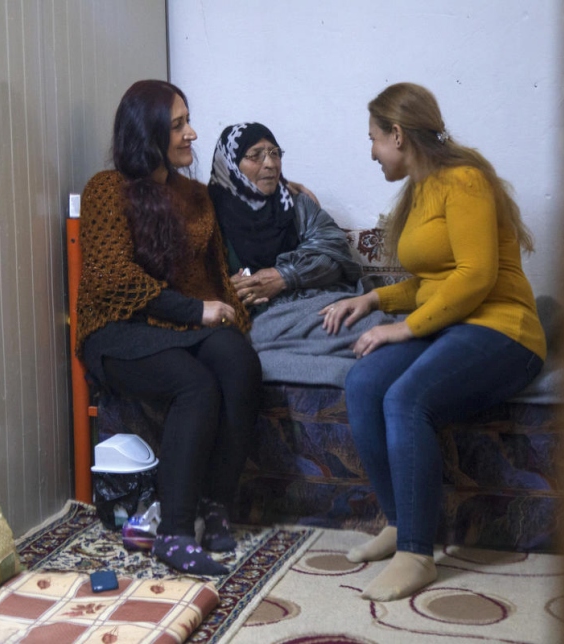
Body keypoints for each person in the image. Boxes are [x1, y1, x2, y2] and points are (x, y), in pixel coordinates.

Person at [319, 82, 547, 601]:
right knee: (364, 382)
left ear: (397, 135)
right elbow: (432, 283)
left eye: (374, 138)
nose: (371, 151)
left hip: (504, 329)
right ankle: (401, 524)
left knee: (407, 397)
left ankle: (418, 555)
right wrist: (375, 303)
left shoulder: (463, 181)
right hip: (453, 324)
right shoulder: (420, 189)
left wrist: (402, 328)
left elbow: (475, 277)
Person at [76, 80, 262, 576]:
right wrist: (195, 312)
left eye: (187, 121)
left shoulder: (197, 198)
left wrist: (226, 316)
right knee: (194, 383)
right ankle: (175, 534)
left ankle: (215, 505)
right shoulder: (105, 191)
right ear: (149, 132)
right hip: (116, 330)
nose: (191, 134)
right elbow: (114, 280)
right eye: (178, 124)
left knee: (237, 358)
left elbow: (212, 280)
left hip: (172, 327)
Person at [209, 122, 399, 386]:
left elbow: (335, 255)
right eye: (255, 156)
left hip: (321, 302)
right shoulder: (207, 217)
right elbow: (193, 277)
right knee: (371, 329)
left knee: (366, 320)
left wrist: (283, 276)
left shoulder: (295, 205)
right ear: (229, 165)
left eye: (275, 153)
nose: (270, 164)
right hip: (262, 318)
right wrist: (227, 288)